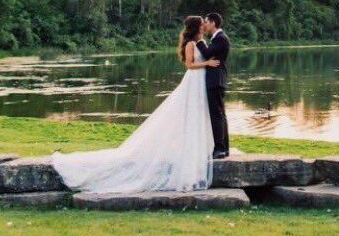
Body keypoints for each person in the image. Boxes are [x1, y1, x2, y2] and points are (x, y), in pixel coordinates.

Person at [50, 15, 220, 192]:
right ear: (196, 27)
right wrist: (207, 63)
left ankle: (199, 148)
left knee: (199, 115)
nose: (203, 26)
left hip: (202, 82)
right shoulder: (191, 44)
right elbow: (189, 65)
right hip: (193, 81)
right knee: (189, 114)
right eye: (201, 25)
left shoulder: (201, 42)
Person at [196, 12, 231, 158]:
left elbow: (206, 53)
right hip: (216, 80)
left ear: (213, 23)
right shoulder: (217, 38)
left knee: (217, 115)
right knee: (220, 114)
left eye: (206, 21)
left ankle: (220, 148)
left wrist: (199, 41)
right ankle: (224, 147)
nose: (205, 24)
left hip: (215, 80)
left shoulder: (221, 39)